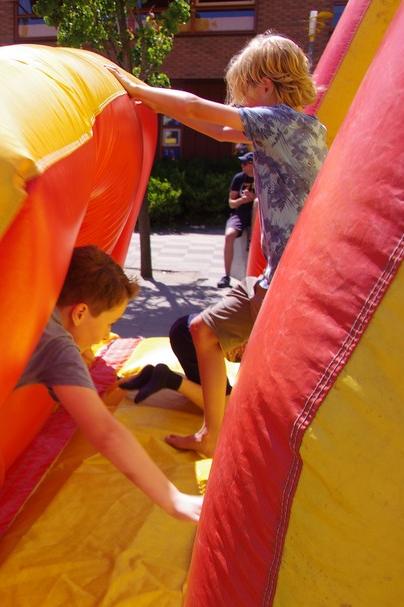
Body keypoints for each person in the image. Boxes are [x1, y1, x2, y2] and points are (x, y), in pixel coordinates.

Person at [107, 32, 327, 457]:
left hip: (292, 284)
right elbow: (218, 128)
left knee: (274, 372)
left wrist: (137, 88)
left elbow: (196, 107)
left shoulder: (280, 122)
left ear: (265, 84)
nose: (239, 101)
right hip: (277, 276)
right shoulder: (299, 127)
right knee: (202, 329)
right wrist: (158, 106)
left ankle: (272, 451)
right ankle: (212, 434)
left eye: (243, 90)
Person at [0, 245, 204, 526]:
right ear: (79, 313)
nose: (107, 334)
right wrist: (174, 499)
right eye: (110, 323)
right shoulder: (57, 345)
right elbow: (105, 432)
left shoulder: (30, 295)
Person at [218, 150, 256, 288]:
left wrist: (254, 198)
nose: (242, 165)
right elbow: (231, 203)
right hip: (241, 212)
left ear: (253, 164)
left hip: (258, 214)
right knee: (229, 236)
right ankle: (226, 276)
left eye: (245, 163)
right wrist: (243, 200)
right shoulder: (239, 178)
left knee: (257, 204)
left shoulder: (262, 178)